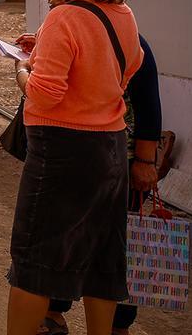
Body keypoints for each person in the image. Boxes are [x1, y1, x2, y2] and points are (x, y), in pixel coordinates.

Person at [7, 0, 142, 335]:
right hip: (111, 148)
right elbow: (125, 68)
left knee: (34, 261)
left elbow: (45, 94)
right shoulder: (123, 14)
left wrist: (22, 70)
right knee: (104, 257)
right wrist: (44, 45)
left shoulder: (65, 15)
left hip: (63, 152)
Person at [14, 34, 163, 335]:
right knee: (68, 240)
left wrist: (145, 163)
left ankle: (119, 325)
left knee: (114, 248)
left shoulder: (133, 41)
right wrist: (43, 44)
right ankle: (55, 312)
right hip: (99, 158)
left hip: (120, 163)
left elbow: (149, 105)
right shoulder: (81, 33)